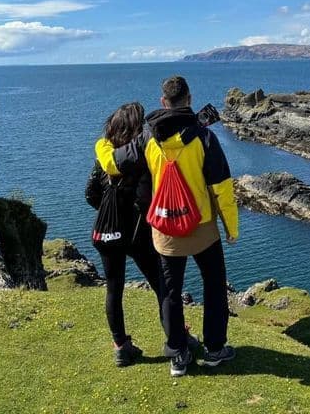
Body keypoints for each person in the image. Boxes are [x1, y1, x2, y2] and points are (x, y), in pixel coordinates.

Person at [95, 76, 239, 377]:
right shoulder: (204, 137)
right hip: (201, 226)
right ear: (189, 98)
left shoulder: (147, 138)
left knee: (171, 291)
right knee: (213, 286)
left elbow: (111, 164)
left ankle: (178, 356)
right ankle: (214, 350)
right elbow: (222, 187)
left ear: (164, 102)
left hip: (164, 228)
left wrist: (102, 143)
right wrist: (231, 227)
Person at [85, 102, 164, 367]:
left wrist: (111, 212)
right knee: (161, 286)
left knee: (113, 288)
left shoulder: (105, 155)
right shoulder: (141, 154)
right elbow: (149, 196)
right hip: (138, 231)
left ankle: (121, 347)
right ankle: (178, 338)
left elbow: (90, 194)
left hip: (108, 231)